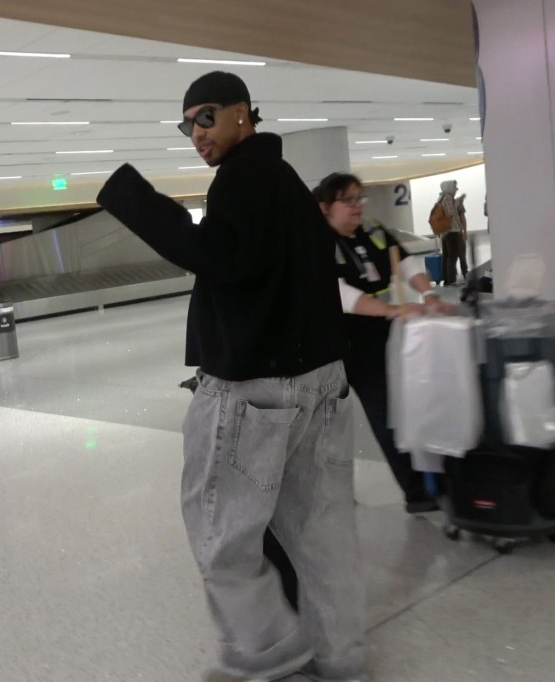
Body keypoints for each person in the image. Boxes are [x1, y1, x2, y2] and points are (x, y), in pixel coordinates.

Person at [96, 72, 367, 682]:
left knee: (220, 532)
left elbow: (217, 257)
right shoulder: (288, 182)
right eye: (187, 123)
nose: (196, 132)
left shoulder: (243, 177)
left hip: (258, 391)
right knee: (324, 537)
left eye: (206, 116)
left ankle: (265, 652)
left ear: (244, 113)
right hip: (323, 384)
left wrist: (132, 198)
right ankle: (342, 657)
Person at [314, 173, 452, 514]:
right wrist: (393, 308)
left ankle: (429, 485)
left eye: (359, 199)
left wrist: (429, 294)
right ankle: (411, 492)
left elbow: (403, 262)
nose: (357, 207)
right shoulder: (315, 242)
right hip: (340, 347)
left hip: (384, 339)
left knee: (404, 412)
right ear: (325, 208)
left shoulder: (371, 230)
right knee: (358, 422)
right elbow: (340, 295)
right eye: (348, 201)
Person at [437, 180, 467, 285]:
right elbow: (451, 213)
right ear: (449, 187)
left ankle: (446, 279)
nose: (456, 189)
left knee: (446, 256)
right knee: (452, 256)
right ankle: (451, 280)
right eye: (454, 187)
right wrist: (458, 202)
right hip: (452, 231)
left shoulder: (440, 198)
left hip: (445, 233)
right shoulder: (447, 198)